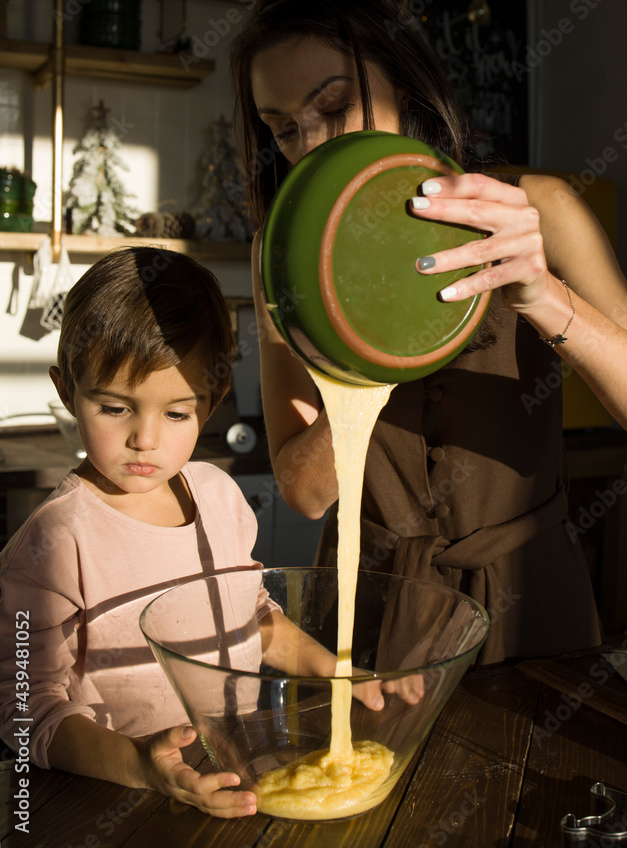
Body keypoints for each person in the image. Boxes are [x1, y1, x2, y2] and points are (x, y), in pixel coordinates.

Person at [229, 0, 627, 665]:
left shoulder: (538, 210)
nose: (311, 146)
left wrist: (541, 295)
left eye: (334, 106)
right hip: (371, 606)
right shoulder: (276, 256)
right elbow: (305, 493)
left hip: (529, 604)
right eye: (283, 129)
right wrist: (375, 348)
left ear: (403, 84)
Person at [0, 246, 384, 819]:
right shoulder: (54, 543)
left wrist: (336, 671)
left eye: (176, 413)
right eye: (114, 408)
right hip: (114, 802)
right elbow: (25, 709)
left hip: (236, 775)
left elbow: (253, 618)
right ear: (66, 390)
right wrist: (140, 766)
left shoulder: (219, 497)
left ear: (214, 398)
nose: (145, 439)